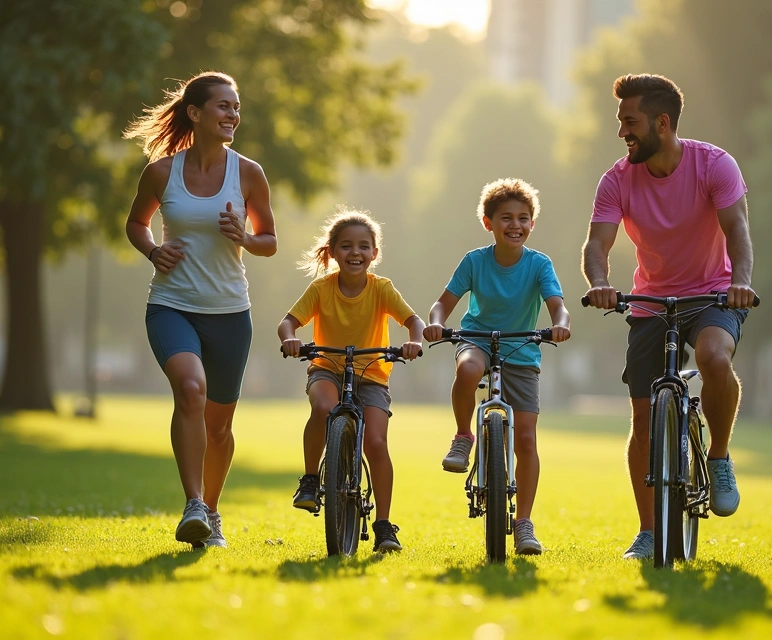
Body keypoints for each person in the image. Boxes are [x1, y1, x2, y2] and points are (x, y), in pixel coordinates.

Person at [581, 74, 757, 560]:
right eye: (620, 122)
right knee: (642, 420)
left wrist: (739, 282)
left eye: (630, 122)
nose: (622, 133)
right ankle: (648, 530)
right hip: (651, 302)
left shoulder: (714, 165)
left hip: (713, 296)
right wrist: (599, 283)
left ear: (662, 122)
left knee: (714, 358)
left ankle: (718, 456)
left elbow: (737, 229)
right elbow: (598, 244)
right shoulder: (617, 178)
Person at [123, 71, 277, 548]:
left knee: (220, 425)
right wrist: (153, 251)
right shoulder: (161, 172)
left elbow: (269, 241)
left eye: (236, 107)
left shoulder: (248, 172)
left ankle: (212, 512)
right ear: (195, 113)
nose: (233, 114)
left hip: (230, 312)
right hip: (172, 306)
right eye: (223, 106)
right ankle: (193, 504)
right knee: (191, 389)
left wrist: (244, 237)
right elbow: (136, 223)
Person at [423, 178, 571, 556]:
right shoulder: (475, 261)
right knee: (469, 370)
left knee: (525, 438)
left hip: (521, 347)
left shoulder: (539, 264)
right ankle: (462, 437)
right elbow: (442, 304)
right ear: (488, 222)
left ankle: (523, 522)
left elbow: (558, 306)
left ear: (532, 225)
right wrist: (436, 321)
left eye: (523, 218)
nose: (515, 225)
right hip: (477, 339)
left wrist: (561, 324)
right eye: (506, 218)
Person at [279, 209, 424, 553]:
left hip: (372, 373)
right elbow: (288, 322)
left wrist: (414, 342)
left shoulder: (381, 288)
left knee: (375, 442)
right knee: (324, 407)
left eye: (363, 246)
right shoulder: (320, 289)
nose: (355, 253)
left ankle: (384, 525)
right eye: (345, 246)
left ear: (375, 253)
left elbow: (413, 320)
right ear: (331, 252)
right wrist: (290, 339)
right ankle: (311, 479)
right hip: (327, 367)